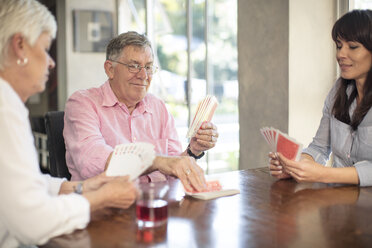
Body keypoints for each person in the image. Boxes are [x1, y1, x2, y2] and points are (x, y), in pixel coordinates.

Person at [0, 0, 136, 247]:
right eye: (44, 49)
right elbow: (34, 221)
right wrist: (101, 197)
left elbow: (14, 185)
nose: (51, 62)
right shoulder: (5, 104)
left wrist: (80, 187)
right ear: (19, 46)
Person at [64, 31, 219, 191]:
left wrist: (193, 150)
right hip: (103, 206)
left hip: (155, 204)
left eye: (148, 67)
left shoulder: (159, 107)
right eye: (134, 66)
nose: (143, 75)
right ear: (110, 69)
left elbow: (172, 169)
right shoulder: (82, 103)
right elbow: (91, 163)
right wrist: (156, 161)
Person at [269, 9, 372, 187]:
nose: (341, 54)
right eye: (339, 46)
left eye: (352, 47)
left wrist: (324, 174)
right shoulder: (338, 92)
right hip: (340, 203)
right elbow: (319, 148)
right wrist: (296, 164)